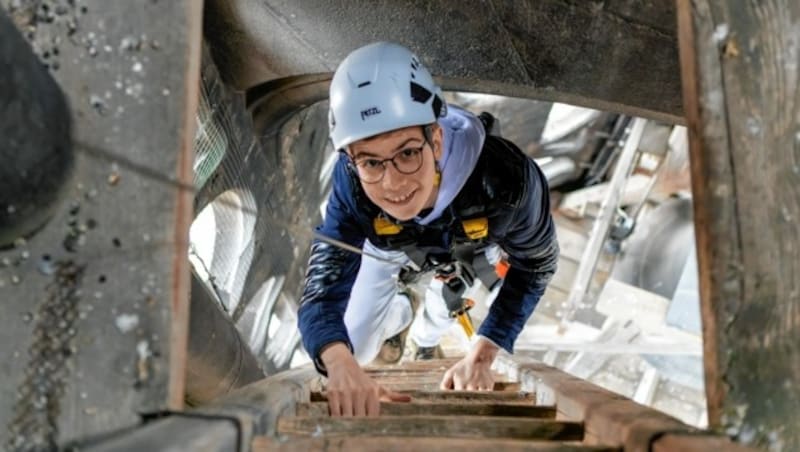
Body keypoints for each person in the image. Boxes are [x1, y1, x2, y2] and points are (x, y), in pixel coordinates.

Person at [297, 41, 559, 417]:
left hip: (470, 245)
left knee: (445, 304)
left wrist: (484, 353)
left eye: (407, 153)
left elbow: (535, 266)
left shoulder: (508, 185)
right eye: (372, 162)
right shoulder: (352, 183)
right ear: (352, 162)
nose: (391, 184)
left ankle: (424, 340)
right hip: (388, 246)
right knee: (356, 347)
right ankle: (403, 311)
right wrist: (339, 362)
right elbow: (324, 281)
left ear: (435, 140)